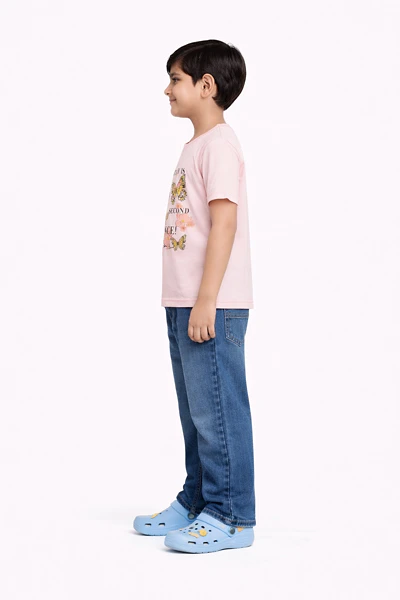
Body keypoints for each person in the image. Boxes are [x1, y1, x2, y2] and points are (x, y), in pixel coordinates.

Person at [133, 39, 256, 554]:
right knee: (196, 412)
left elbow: (224, 224)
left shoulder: (220, 145)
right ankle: (199, 499)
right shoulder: (196, 146)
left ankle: (232, 516)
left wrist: (207, 299)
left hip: (212, 303)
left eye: (176, 79)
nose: (167, 89)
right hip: (184, 300)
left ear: (207, 86)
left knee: (219, 411)